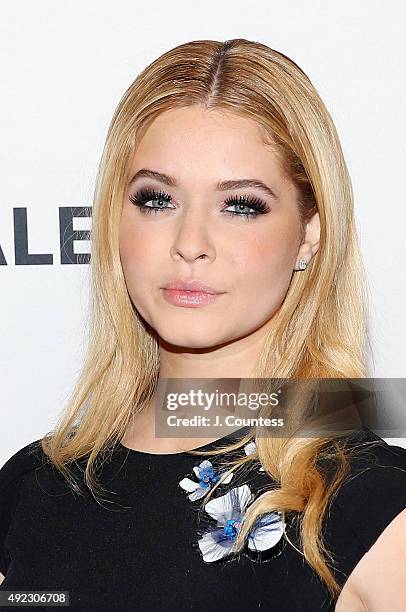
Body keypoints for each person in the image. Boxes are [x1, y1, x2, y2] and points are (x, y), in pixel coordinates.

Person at [1, 38, 406, 611]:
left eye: (241, 205)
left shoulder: (367, 505)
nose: (191, 244)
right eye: (157, 199)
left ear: (310, 233)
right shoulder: (32, 486)